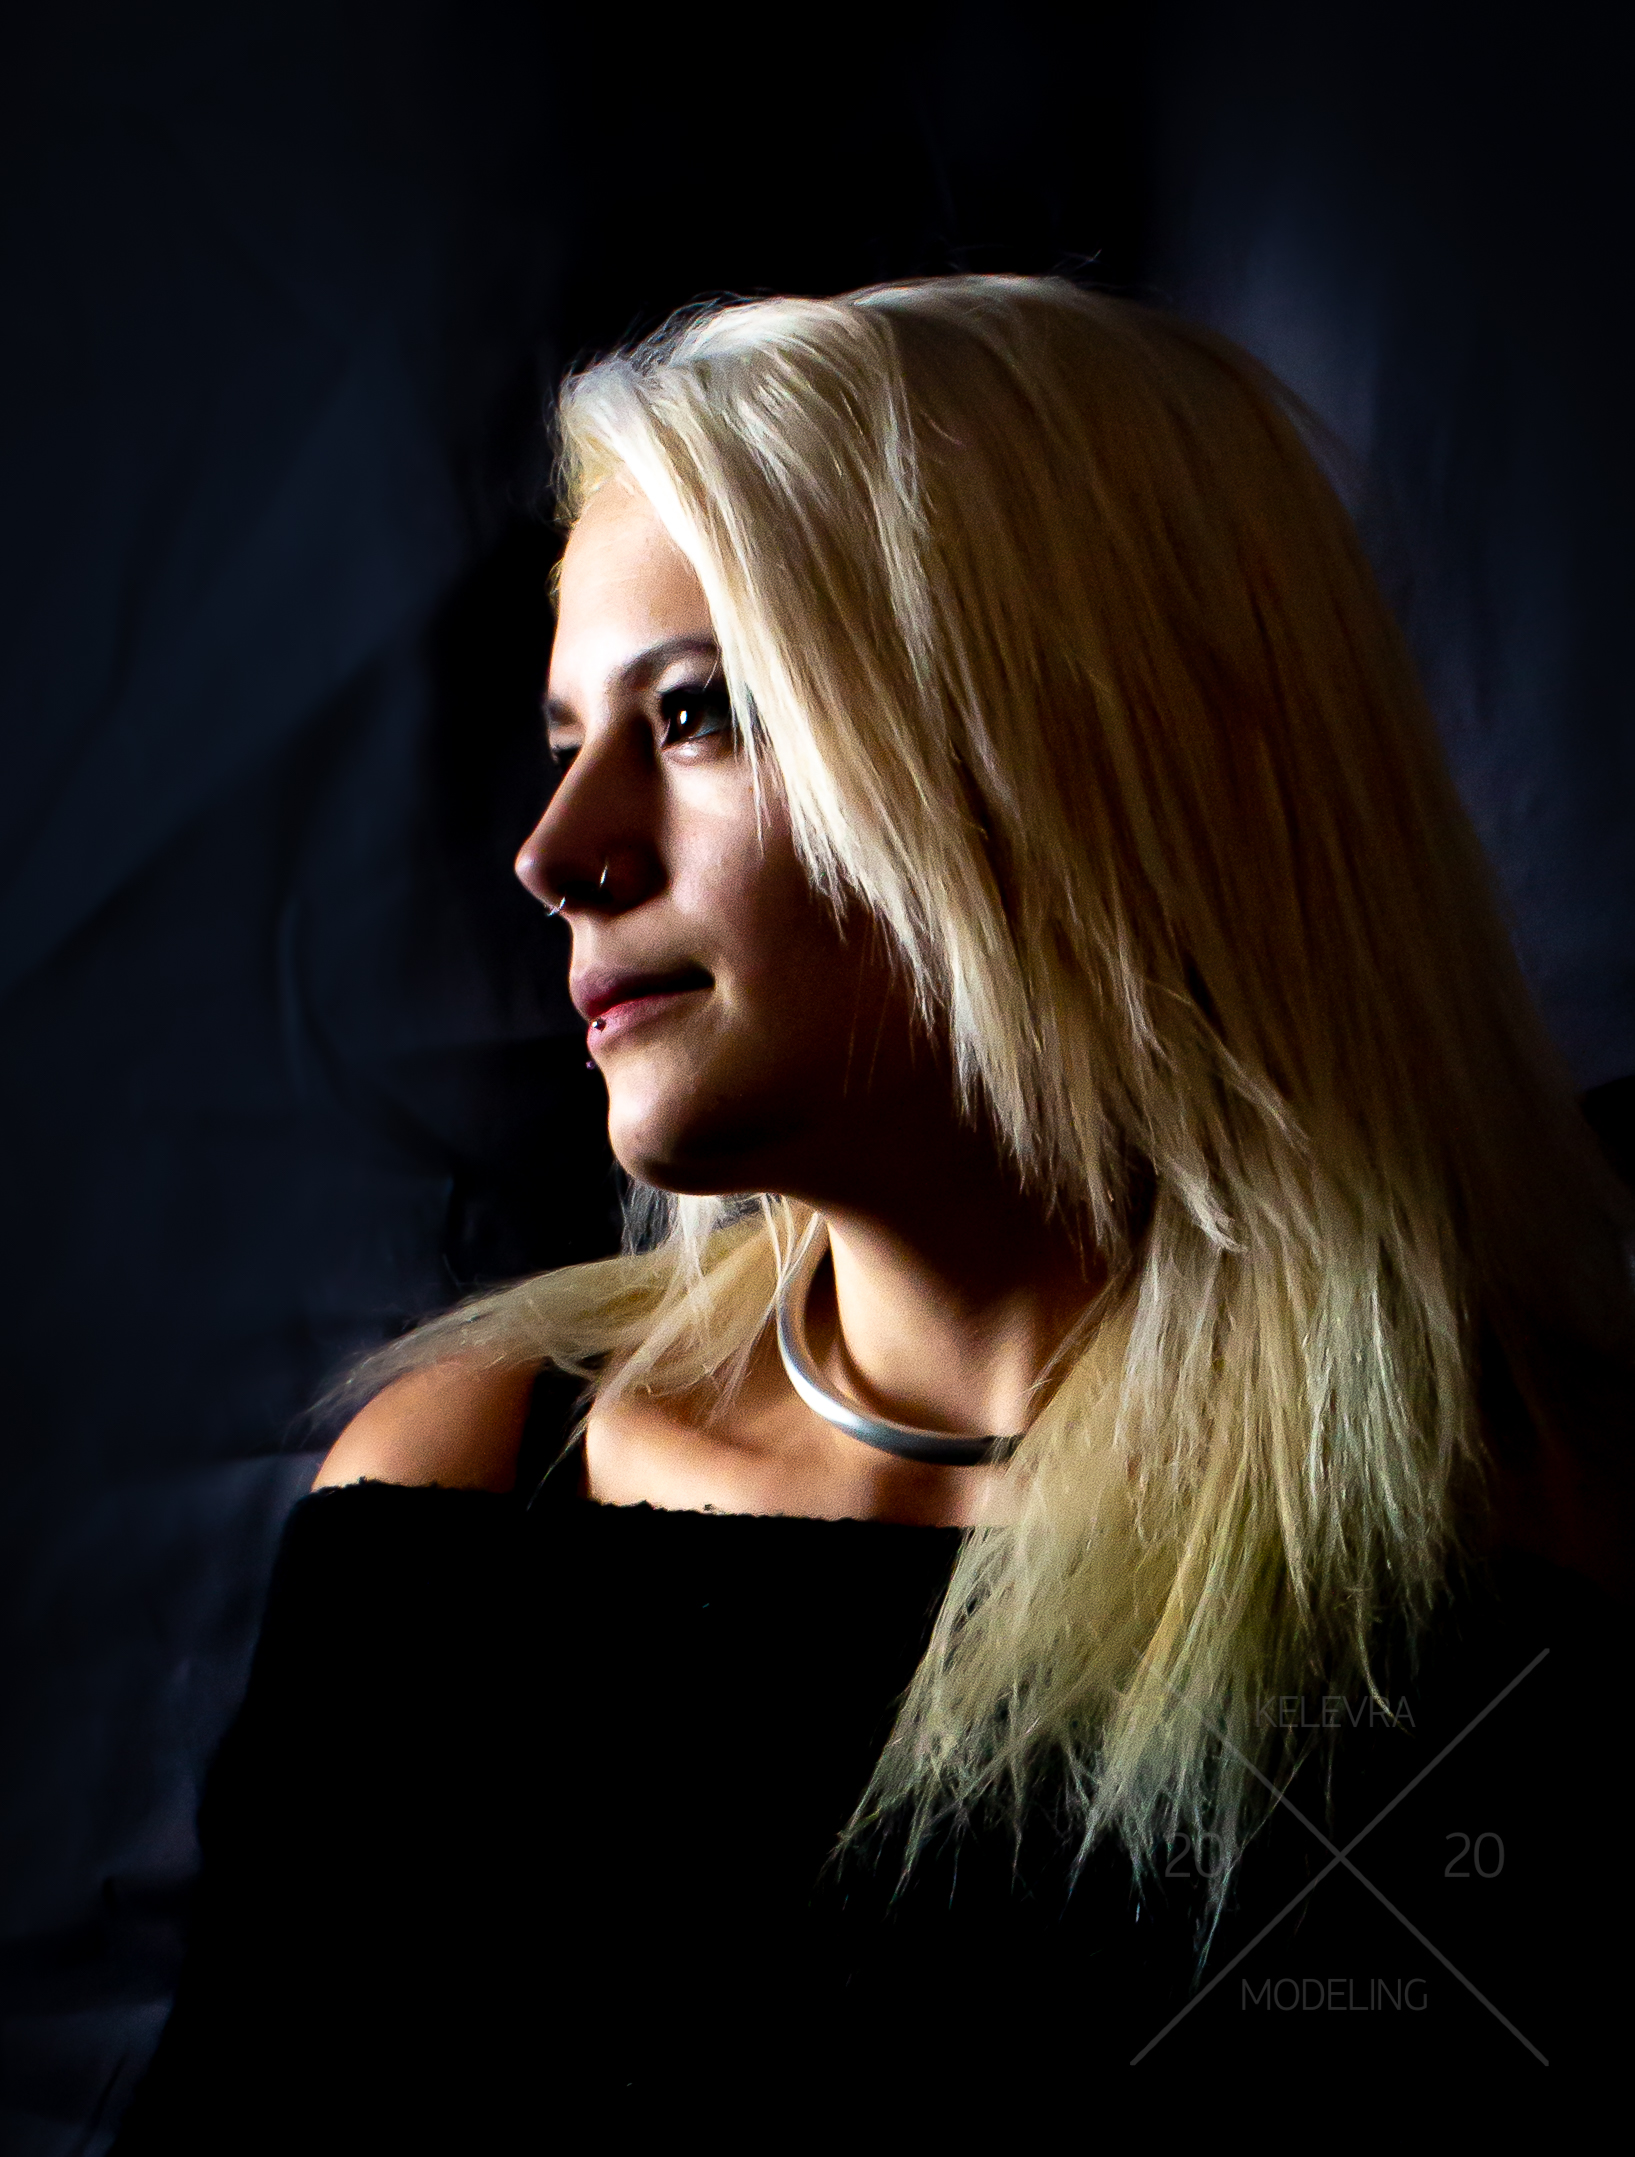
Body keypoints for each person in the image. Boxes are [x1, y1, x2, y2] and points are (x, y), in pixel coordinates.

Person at [115, 276, 1631, 2146]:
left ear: (1069, 756)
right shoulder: (458, 1504)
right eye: (568, 737)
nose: (558, 851)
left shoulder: (1520, 1543)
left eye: (695, 715)